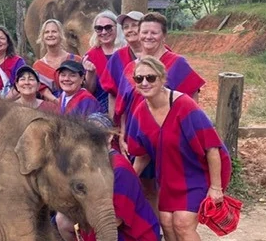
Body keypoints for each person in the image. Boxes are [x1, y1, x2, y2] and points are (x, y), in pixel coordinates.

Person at [127, 56, 231, 241]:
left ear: (162, 79)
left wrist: (216, 188)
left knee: (183, 223)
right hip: (169, 176)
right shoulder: (141, 111)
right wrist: (128, 181)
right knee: (167, 222)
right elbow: (140, 154)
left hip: (195, 174)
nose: (144, 82)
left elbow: (212, 148)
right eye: (139, 78)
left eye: (150, 77)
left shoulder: (184, 105)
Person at [55, 148, 160, 241]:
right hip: (100, 227)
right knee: (62, 220)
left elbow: (114, 222)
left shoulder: (120, 171)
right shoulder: (86, 164)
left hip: (133, 237)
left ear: (109, 137)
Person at [112, 11, 205, 146]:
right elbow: (123, 108)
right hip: (135, 137)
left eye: (154, 33)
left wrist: (187, 134)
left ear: (164, 36)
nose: (148, 37)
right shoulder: (130, 68)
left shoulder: (177, 63)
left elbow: (193, 101)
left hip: (169, 139)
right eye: (144, 32)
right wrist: (122, 137)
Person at [99, 11, 144, 117]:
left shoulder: (160, 53)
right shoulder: (118, 57)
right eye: (126, 27)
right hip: (127, 117)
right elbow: (112, 93)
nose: (130, 30)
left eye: (134, 25)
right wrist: (113, 121)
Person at [82, 10, 124, 112]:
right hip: (101, 107)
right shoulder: (90, 56)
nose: (104, 32)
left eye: (108, 27)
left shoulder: (126, 51)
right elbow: (89, 91)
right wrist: (90, 73)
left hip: (125, 103)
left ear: (117, 27)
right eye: (99, 28)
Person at [32, 19, 79, 101]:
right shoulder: (38, 66)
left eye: (54, 31)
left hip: (76, 105)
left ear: (61, 34)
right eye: (46, 32)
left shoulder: (75, 60)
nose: (50, 35)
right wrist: (56, 101)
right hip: (51, 108)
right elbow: (42, 89)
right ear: (42, 37)